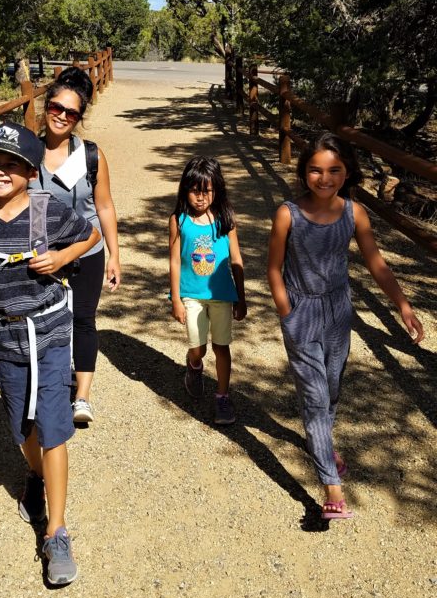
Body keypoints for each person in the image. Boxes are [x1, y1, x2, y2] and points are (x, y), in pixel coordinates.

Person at [0, 120, 100, 586]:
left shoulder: (46, 211)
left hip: (50, 335)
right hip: (5, 339)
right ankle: (36, 477)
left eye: (11, 165)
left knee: (52, 427)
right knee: (21, 426)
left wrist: (61, 259)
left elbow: (89, 235)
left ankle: (56, 532)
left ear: (30, 171)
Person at [267, 130, 424, 521]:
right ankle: (331, 489)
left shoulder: (354, 213)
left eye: (334, 170)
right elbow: (273, 267)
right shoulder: (288, 213)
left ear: (347, 171)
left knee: (333, 387)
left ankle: (321, 439)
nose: (325, 178)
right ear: (304, 172)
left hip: (339, 313)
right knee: (316, 398)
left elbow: (376, 263)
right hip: (301, 313)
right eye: (316, 170)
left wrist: (402, 305)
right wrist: (286, 308)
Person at [33, 67, 120, 424]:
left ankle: (81, 396)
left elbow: (104, 206)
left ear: (79, 118)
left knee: (83, 319)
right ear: (46, 106)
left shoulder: (91, 156)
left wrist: (115, 255)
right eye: (56, 108)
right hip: (42, 253)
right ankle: (48, 384)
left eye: (71, 113)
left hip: (88, 250)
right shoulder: (27, 151)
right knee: (44, 322)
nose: (62, 117)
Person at [169, 156, 247, 425]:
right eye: (195, 191)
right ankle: (194, 365)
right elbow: (175, 260)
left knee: (222, 346)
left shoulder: (226, 220)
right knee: (198, 347)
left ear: (217, 190)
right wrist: (176, 298)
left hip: (222, 295)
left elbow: (236, 259)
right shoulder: (179, 221)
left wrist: (241, 297)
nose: (200, 198)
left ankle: (222, 396)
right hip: (191, 295)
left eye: (207, 191)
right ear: (185, 189)